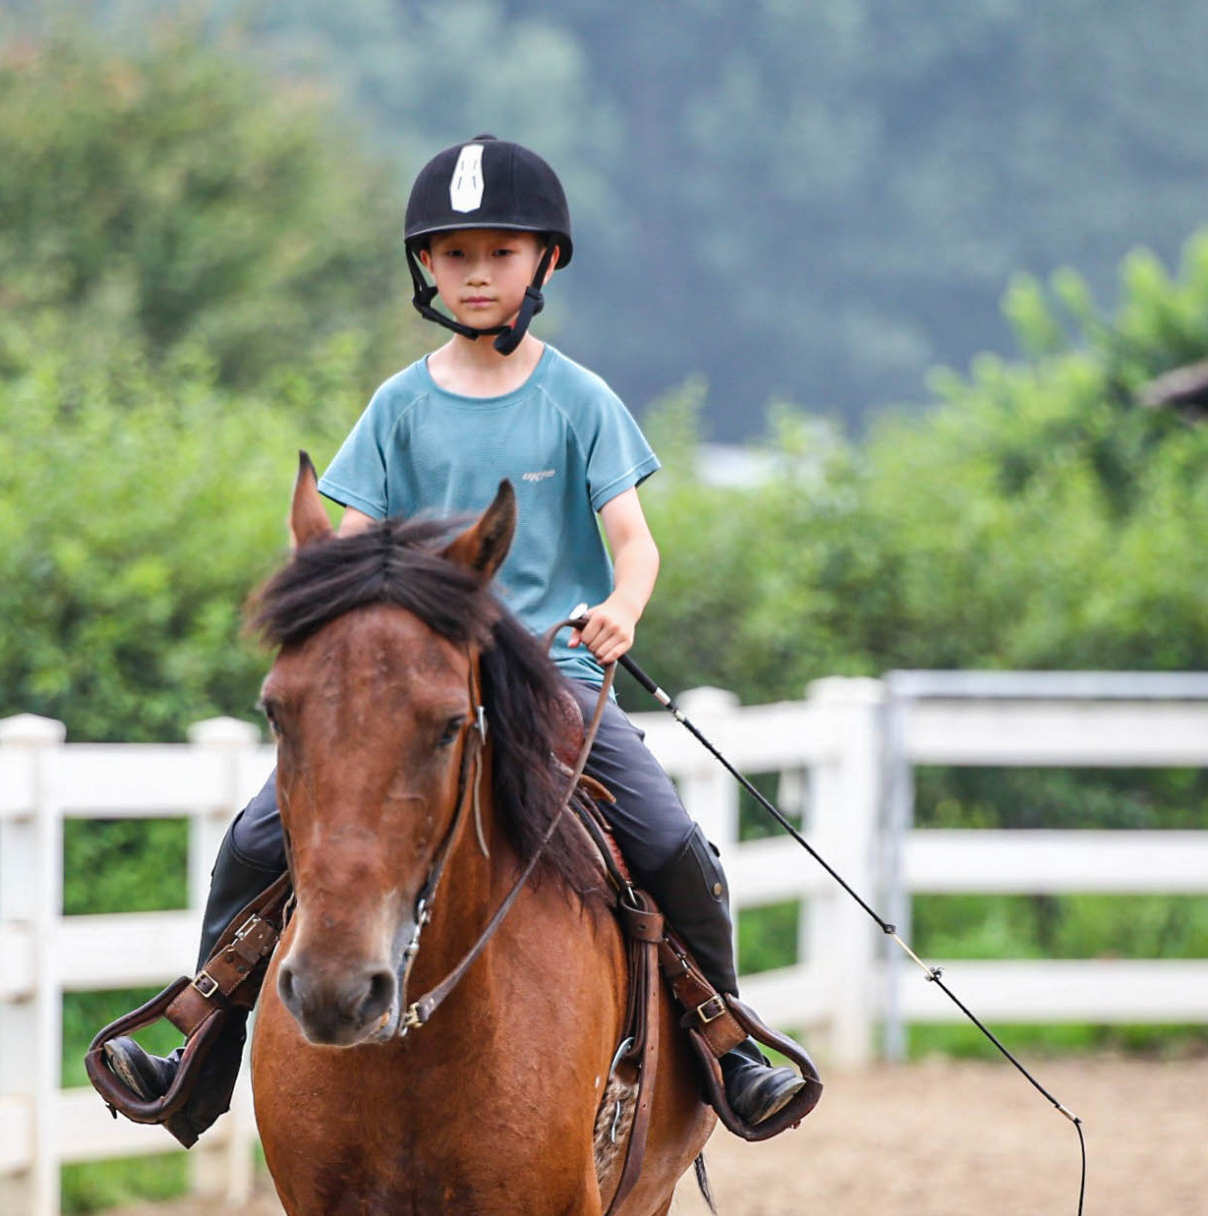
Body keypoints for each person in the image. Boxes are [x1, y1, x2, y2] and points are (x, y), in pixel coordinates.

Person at [101, 135, 808, 1145]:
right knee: (255, 840)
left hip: (552, 679)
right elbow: (346, 552)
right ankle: (197, 1046)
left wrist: (620, 610)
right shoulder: (398, 404)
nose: (477, 275)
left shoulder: (579, 399)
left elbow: (633, 543)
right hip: (412, 687)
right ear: (426, 268)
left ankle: (727, 1043)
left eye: (500, 253)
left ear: (545, 263)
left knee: (667, 840)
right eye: (455, 255)